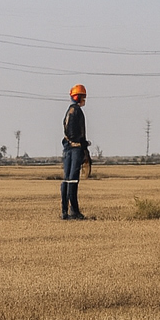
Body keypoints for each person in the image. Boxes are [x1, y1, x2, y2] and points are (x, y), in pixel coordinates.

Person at [61, 84, 90, 221]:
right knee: (72, 180)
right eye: (83, 97)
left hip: (67, 149)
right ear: (78, 97)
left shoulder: (69, 111)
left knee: (67, 180)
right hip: (75, 149)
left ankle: (64, 211)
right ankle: (74, 212)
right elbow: (78, 134)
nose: (84, 100)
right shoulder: (77, 111)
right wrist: (84, 148)